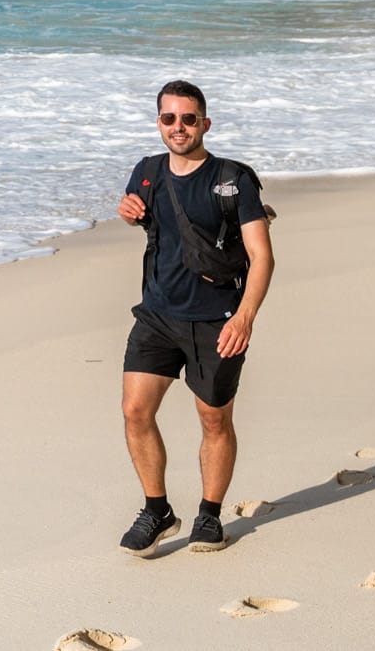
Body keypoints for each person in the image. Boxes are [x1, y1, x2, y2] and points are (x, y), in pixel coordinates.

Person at [113, 78, 274, 556]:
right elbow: (144, 220)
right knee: (134, 411)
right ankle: (157, 510)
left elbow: (261, 256)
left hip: (217, 320)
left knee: (213, 420)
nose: (178, 127)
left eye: (188, 118)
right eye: (169, 118)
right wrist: (127, 211)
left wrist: (244, 318)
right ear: (158, 122)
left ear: (205, 123)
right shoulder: (146, 172)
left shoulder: (233, 179)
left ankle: (209, 515)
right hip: (157, 315)